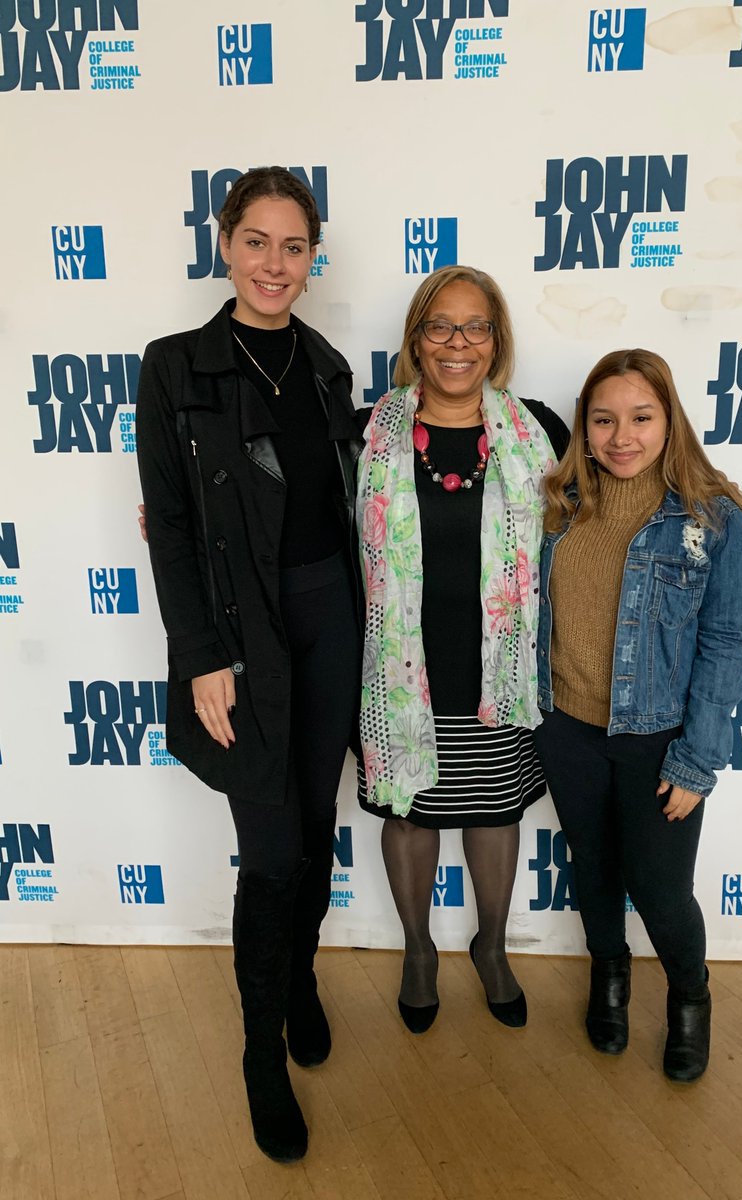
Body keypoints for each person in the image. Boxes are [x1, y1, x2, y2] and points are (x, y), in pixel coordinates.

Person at [136, 167, 362, 1163]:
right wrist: (203, 655)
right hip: (243, 634)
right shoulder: (175, 366)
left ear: (314, 259)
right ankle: (258, 1050)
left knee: (314, 828)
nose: (276, 263)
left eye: (294, 246)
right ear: (224, 244)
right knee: (269, 855)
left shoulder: (327, 370)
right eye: (257, 241)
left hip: (334, 624)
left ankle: (301, 975)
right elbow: (172, 527)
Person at [534, 348, 742, 1082]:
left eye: (640, 417)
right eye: (603, 419)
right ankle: (610, 974)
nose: (620, 436)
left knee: (662, 892)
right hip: (567, 730)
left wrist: (697, 760)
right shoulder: (560, 507)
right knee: (594, 872)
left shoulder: (714, 520)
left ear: (670, 421)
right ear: (584, 426)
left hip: (659, 741)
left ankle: (691, 998)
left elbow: (725, 645)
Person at [356, 265, 569, 1033]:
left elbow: (603, 514)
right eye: (440, 326)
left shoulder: (537, 429)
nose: (457, 343)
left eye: (475, 327)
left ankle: (492, 945)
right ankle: (418, 950)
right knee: (411, 816)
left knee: (494, 809)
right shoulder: (367, 432)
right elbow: (289, 518)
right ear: (416, 338)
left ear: (497, 340)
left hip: (500, 670)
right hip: (400, 670)